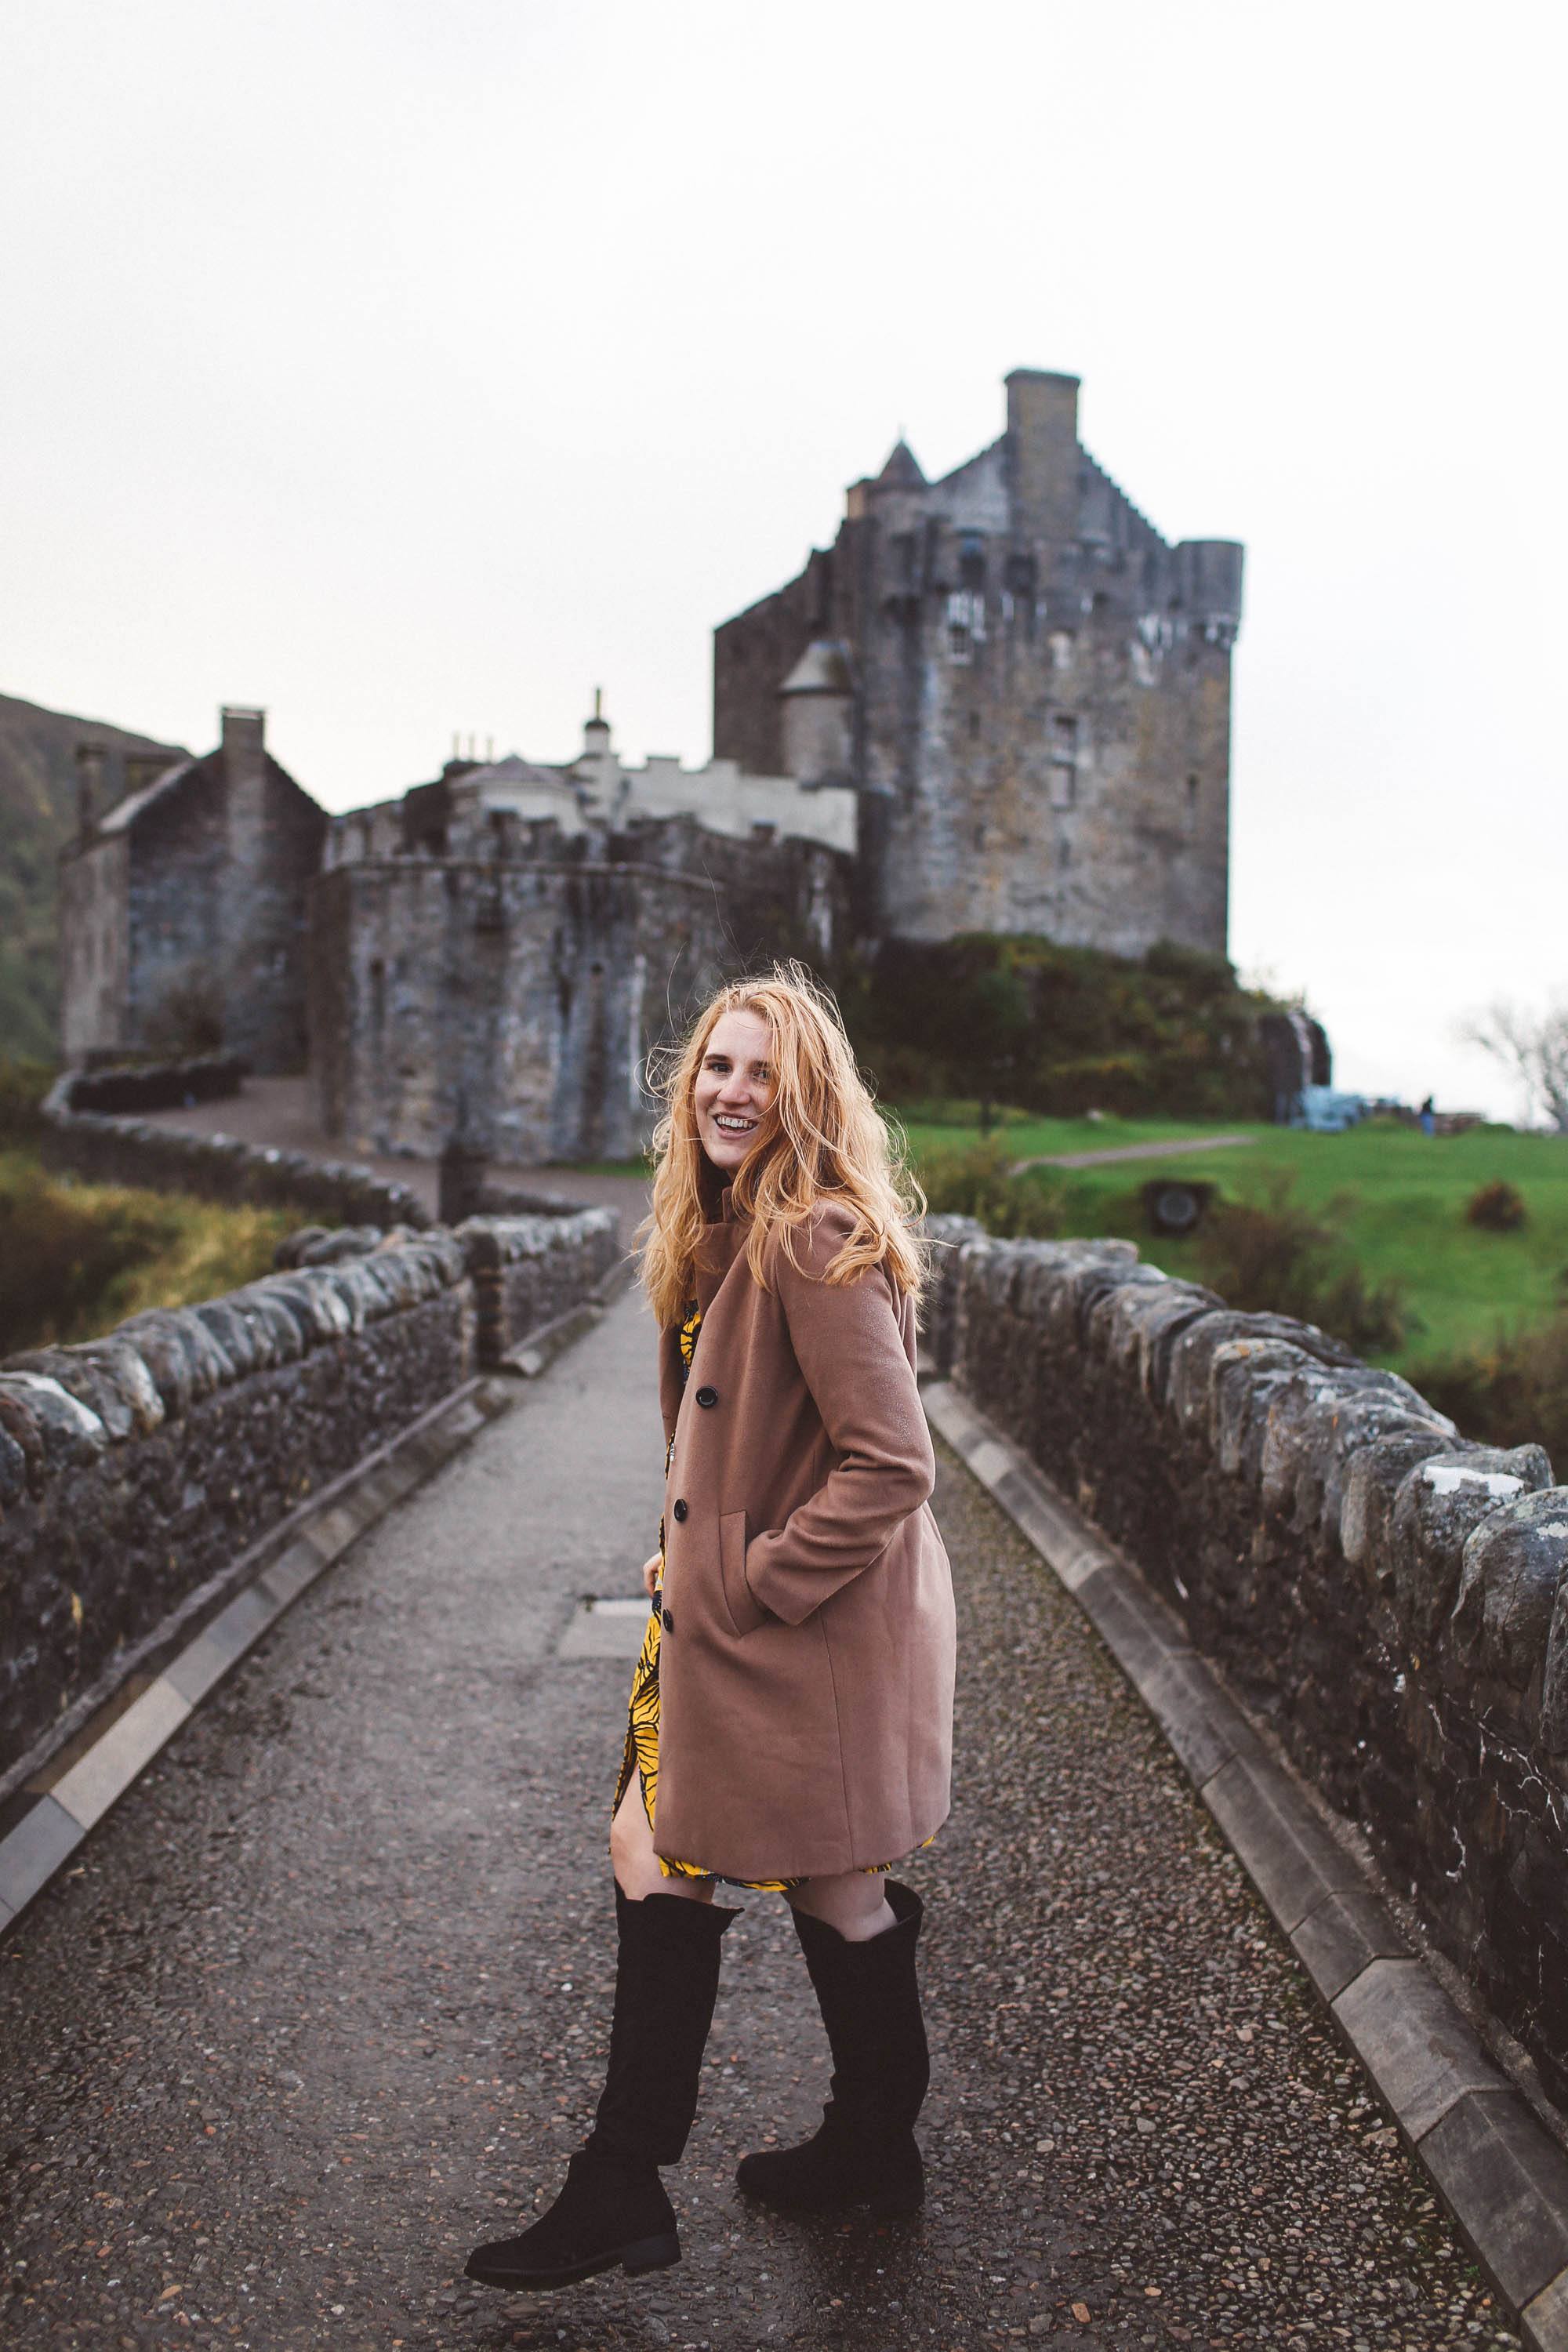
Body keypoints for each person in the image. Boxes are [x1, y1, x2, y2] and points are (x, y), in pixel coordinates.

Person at [465, 961, 956, 2292]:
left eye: (762, 1075)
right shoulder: (724, 1228)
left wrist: (749, 1577)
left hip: (793, 1629)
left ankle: (631, 2185)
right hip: (741, 1619)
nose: (732, 1093)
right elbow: (734, 1442)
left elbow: (891, 1462)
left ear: (806, 1098)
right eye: (716, 1069)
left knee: (710, 1855)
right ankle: (857, 2150)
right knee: (779, 1867)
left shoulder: (811, 1239)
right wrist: (689, 1542)